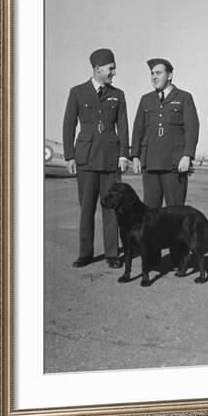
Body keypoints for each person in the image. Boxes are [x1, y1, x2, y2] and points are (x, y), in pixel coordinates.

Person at [63, 48, 129, 268]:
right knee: (87, 208)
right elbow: (68, 125)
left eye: (114, 68)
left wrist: (124, 155)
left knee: (111, 208)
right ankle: (86, 253)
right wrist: (70, 157)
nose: (114, 72)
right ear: (97, 68)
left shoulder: (118, 94)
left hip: (110, 160)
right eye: (111, 68)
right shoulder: (77, 92)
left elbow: (123, 127)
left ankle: (112, 254)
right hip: (86, 159)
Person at [131, 58, 199, 207]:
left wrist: (187, 155)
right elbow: (138, 130)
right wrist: (135, 156)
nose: (154, 77)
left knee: (175, 213)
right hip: (151, 164)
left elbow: (192, 129)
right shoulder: (146, 99)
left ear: (169, 75)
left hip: (174, 164)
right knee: (150, 214)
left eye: (158, 73)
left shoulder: (184, 98)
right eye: (152, 73)